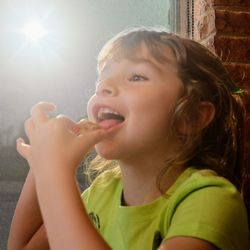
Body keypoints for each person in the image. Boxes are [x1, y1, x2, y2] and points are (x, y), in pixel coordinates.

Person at [8, 27, 249, 250]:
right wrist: (42, 164)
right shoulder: (101, 192)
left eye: (136, 77)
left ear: (191, 117)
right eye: (101, 80)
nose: (104, 87)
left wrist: (54, 172)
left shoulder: (210, 200)